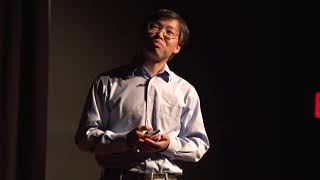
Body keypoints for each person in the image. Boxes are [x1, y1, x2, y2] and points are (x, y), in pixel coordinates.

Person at [75, 9, 210, 180]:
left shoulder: (185, 91)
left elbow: (199, 145)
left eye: (169, 32)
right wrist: (126, 140)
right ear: (143, 33)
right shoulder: (107, 82)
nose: (160, 34)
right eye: (154, 27)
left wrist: (168, 144)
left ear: (177, 47)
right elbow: (84, 138)